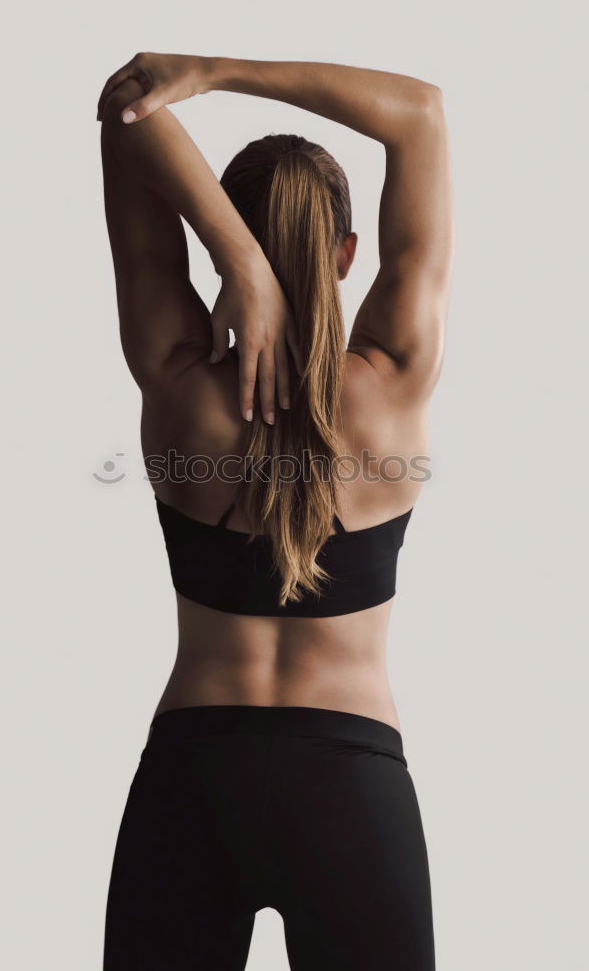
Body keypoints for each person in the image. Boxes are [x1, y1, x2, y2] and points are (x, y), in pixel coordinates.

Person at [97, 53, 453, 971]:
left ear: (226, 235)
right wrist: (216, 72)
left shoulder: (178, 381)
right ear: (346, 253)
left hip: (192, 775)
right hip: (350, 782)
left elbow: (125, 112)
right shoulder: (394, 380)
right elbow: (418, 113)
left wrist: (236, 260)